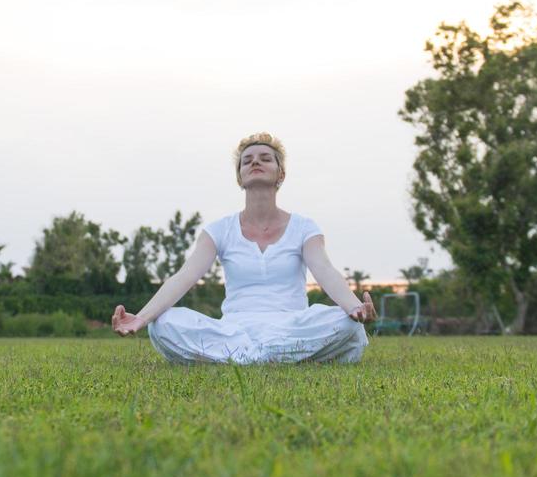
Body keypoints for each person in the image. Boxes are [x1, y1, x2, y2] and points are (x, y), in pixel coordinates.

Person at [111, 133, 376, 364]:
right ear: (240, 176)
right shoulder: (219, 229)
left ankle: (244, 358)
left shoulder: (304, 227)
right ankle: (275, 357)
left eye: (265, 158)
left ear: (280, 173)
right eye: (247, 160)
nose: (255, 162)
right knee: (162, 324)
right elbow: (184, 277)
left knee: (348, 325)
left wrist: (354, 307)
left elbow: (325, 271)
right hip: (234, 331)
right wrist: (142, 318)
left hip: (292, 327)